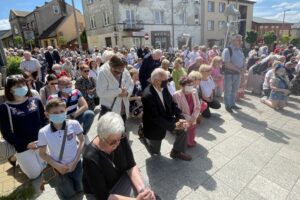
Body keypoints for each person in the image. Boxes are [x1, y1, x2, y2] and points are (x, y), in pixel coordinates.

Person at [82, 112, 156, 200]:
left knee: (147, 188)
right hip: (103, 193)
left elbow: (131, 166)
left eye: (119, 138)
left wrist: (142, 191)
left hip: (119, 180)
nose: (117, 144)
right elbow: (103, 196)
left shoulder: (119, 137)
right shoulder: (90, 158)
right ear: (101, 138)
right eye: (113, 142)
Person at [0, 75, 46, 179]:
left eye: (24, 84)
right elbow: (6, 133)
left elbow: (44, 120)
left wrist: (45, 137)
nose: (22, 87)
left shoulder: (35, 101)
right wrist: (27, 144)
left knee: (44, 166)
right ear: (10, 89)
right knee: (35, 175)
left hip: (41, 142)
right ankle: (16, 157)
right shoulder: (4, 108)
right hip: (22, 148)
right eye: (17, 86)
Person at [38, 98, 84, 200]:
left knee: (80, 187)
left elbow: (82, 141)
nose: (59, 114)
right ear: (47, 114)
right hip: (58, 169)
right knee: (67, 193)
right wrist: (57, 166)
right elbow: (42, 154)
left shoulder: (74, 124)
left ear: (66, 111)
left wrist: (75, 161)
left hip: (76, 165)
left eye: (62, 111)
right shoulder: (43, 132)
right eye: (54, 112)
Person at [142, 68, 192, 161]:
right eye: (166, 80)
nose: (168, 82)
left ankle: (176, 152)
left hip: (166, 118)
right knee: (155, 153)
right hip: (154, 124)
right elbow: (155, 118)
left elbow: (172, 104)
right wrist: (174, 126)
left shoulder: (163, 88)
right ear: (156, 81)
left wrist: (180, 117)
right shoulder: (147, 95)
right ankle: (143, 135)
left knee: (183, 129)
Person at [48, 76, 95, 144]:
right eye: (66, 84)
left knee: (90, 113)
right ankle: (69, 136)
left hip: (75, 116)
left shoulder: (76, 92)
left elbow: (85, 106)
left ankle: (84, 134)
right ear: (59, 86)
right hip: (61, 120)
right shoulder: (53, 97)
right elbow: (50, 115)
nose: (69, 86)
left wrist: (72, 115)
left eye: (70, 83)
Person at [97, 55, 134, 122]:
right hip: (110, 109)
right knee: (111, 128)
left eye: (123, 69)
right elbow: (100, 92)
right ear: (111, 67)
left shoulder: (123, 68)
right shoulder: (103, 72)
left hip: (123, 107)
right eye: (119, 70)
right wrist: (118, 91)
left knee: (122, 125)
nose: (121, 72)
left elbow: (131, 83)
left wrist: (127, 93)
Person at [173, 77, 201, 147]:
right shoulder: (176, 95)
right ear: (182, 86)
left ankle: (191, 141)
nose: (191, 87)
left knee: (192, 130)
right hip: (183, 118)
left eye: (191, 85)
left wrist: (194, 116)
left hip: (193, 117)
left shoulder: (194, 91)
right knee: (184, 131)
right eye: (188, 85)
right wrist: (189, 118)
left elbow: (198, 105)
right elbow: (177, 111)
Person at [222, 34, 245, 113]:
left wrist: (243, 69)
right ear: (232, 40)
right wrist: (239, 69)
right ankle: (227, 105)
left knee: (234, 90)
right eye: (238, 40)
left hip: (237, 74)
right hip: (229, 74)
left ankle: (232, 104)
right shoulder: (227, 50)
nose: (240, 41)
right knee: (228, 90)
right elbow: (227, 63)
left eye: (241, 40)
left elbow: (243, 61)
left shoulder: (240, 50)